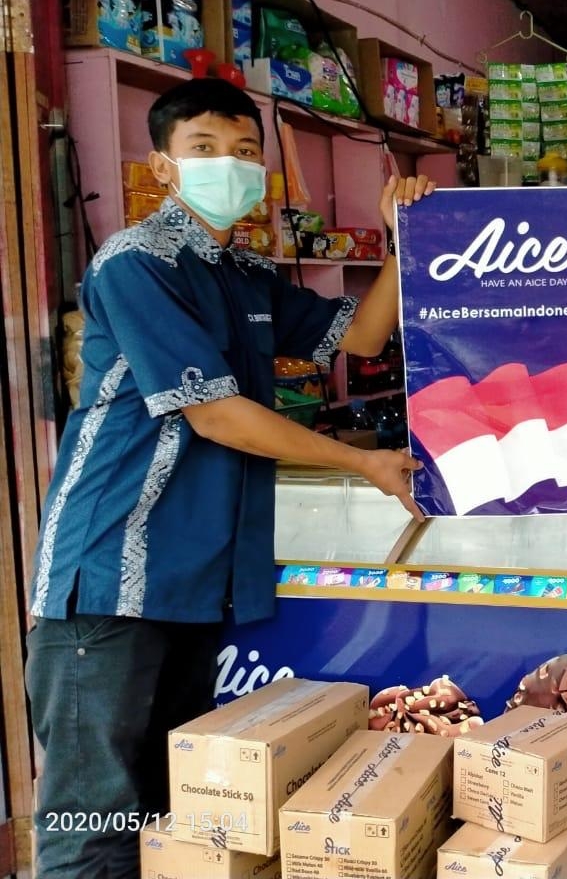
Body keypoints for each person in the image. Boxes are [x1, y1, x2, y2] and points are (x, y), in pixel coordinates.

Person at [24, 77, 433, 878]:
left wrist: (402, 238)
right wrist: (361, 462)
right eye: (204, 149)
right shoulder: (138, 264)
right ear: (164, 167)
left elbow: (364, 336)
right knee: (90, 820)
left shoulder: (243, 276)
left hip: (191, 585)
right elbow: (214, 414)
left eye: (246, 152)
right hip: (110, 581)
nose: (230, 165)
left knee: (171, 811)